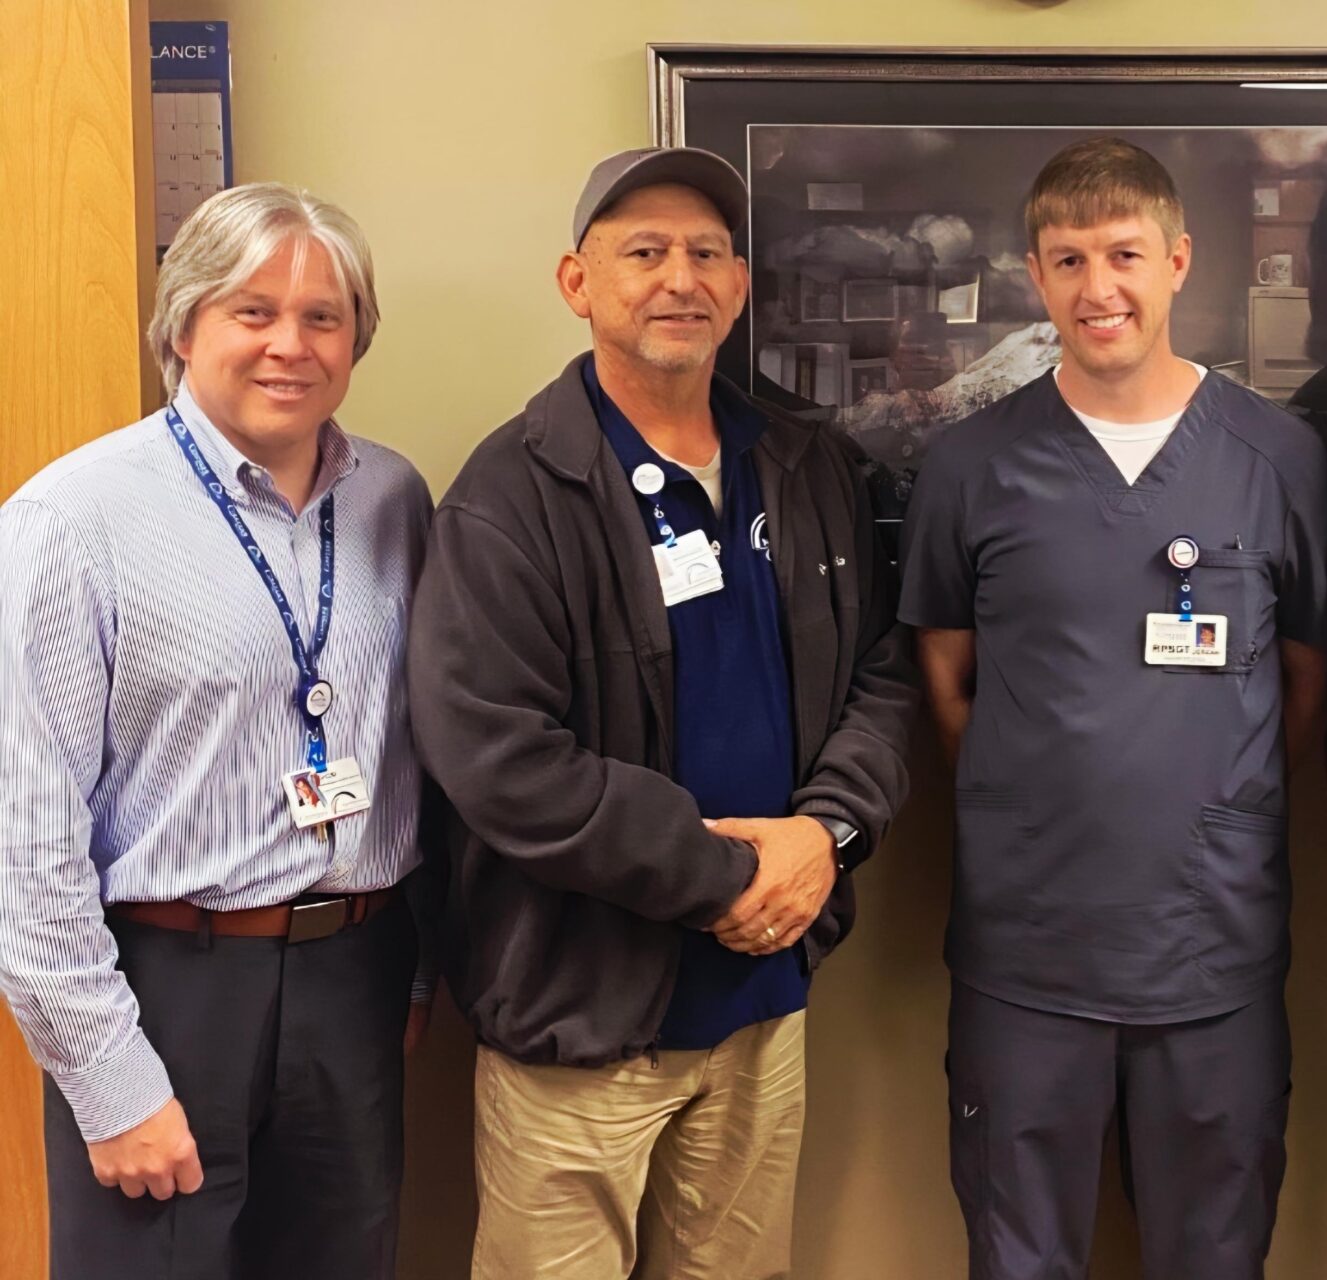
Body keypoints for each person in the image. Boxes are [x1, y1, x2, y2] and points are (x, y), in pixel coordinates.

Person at [407, 147, 917, 1280]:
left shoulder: (808, 465)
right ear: (577, 283)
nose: (677, 277)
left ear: (739, 286)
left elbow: (882, 672)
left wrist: (823, 837)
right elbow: (499, 758)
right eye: (642, 251)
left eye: (705, 253)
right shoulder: (511, 497)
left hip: (761, 1003)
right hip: (579, 1025)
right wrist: (730, 877)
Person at [899, 137, 1327, 1280]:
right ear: (1034, 278)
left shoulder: (1277, 457)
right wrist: (1039, 797)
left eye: (1126, 254)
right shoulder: (969, 467)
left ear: (1178, 260)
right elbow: (946, 684)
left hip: (1213, 950)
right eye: (1070, 259)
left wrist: (1207, 803)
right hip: (1027, 951)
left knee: (1214, 1251)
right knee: (1020, 1251)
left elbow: (1303, 684)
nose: (1101, 288)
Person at [0, 183, 436, 1279]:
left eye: (323, 315)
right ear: (184, 325)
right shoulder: (71, 519)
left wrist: (417, 977)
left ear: (357, 339)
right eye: (252, 310)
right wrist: (109, 1080)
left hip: (357, 974)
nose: (290, 343)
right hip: (163, 988)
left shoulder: (395, 497)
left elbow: (423, 752)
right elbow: (23, 838)